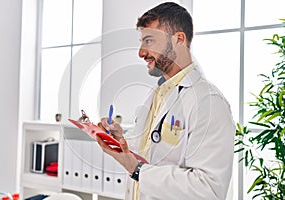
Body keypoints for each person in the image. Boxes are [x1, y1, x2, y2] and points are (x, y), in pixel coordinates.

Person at [97, 2, 235, 199]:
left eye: (149, 41)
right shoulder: (158, 93)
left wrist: (137, 170)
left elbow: (208, 189)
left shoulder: (209, 103)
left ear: (179, 39)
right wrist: (121, 140)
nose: (141, 52)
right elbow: (152, 148)